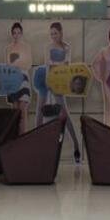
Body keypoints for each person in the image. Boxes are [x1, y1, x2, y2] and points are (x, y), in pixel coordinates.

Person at [38, 22, 81, 163]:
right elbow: (48, 65)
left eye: (55, 33)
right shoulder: (48, 47)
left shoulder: (67, 47)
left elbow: (67, 66)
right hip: (47, 80)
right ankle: (39, 147)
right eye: (51, 34)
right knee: (42, 114)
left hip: (60, 82)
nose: (53, 36)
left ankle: (76, 146)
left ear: (61, 33)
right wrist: (50, 79)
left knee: (64, 114)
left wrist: (57, 66)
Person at [5, 22, 32, 133]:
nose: (16, 35)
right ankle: (15, 136)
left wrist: (16, 64)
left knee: (23, 110)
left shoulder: (26, 47)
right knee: (15, 111)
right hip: (12, 79)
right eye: (14, 33)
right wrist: (17, 64)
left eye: (18, 33)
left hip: (23, 79)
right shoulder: (8, 48)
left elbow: (28, 64)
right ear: (12, 34)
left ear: (21, 34)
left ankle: (23, 136)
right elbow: (7, 64)